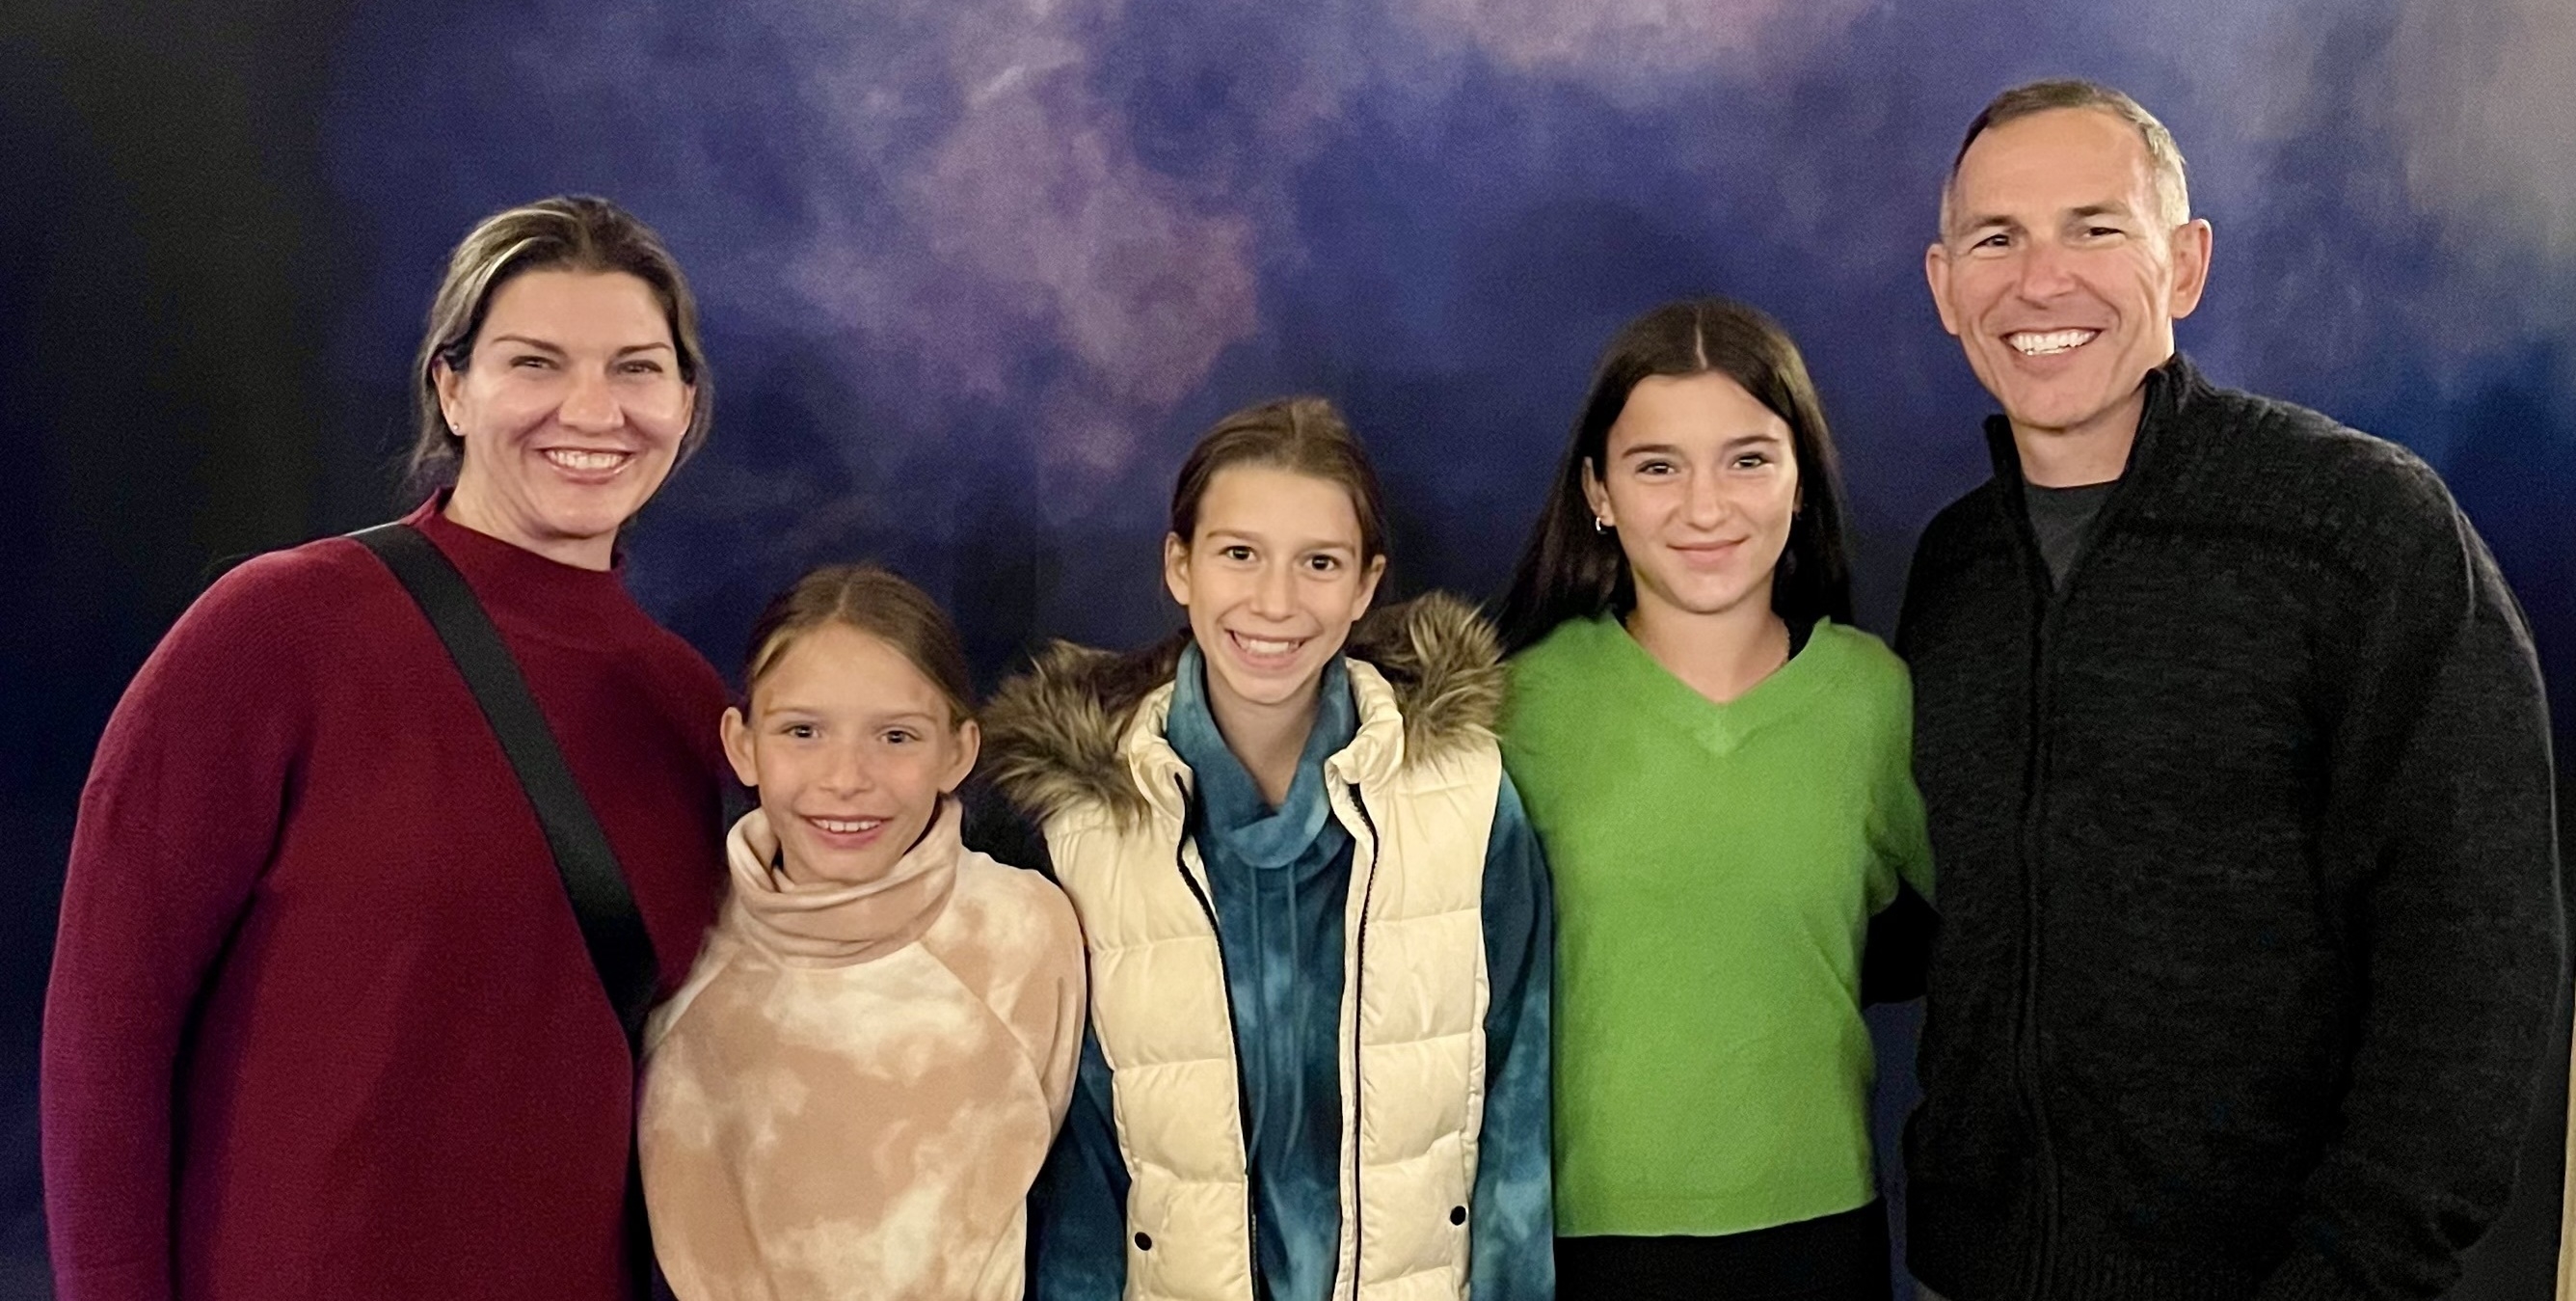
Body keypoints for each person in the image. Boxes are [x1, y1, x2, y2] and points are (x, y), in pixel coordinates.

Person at [1900, 79, 2563, 1301]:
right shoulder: (1954, 568)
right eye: (1996, 238)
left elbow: (2477, 949)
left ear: (2185, 263)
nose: (2040, 280)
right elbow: (1953, 908)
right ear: (1945, 287)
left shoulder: (2358, 528)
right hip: (1973, 1272)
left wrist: (2347, 1273)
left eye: (2095, 228)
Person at [42, 197, 733, 1301]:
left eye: (636, 368)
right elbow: (106, 1034)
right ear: (452, 387)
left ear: (685, 403)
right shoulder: (279, 629)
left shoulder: (695, 711)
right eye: (535, 361)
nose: (591, 408)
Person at [980, 395, 1555, 1301]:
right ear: (1180, 565)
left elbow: (1515, 1110)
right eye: (1239, 554)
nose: (1276, 602)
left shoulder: (1466, 798)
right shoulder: (1084, 825)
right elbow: (1080, 1164)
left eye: (1319, 562)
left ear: (1365, 584)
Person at [1494, 299, 1933, 1301]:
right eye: (1657, 466)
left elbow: (2007, 941)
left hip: (1821, 1231)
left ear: (1800, 481)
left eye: (1747, 460)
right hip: (1582, 1240)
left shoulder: (1874, 701)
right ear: (1598, 492)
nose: (1705, 507)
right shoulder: (1519, 709)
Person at [639, 563, 1085, 1301]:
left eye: (896, 736)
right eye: (803, 731)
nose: (847, 777)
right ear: (743, 744)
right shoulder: (682, 931)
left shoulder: (1023, 931)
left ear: (958, 752)